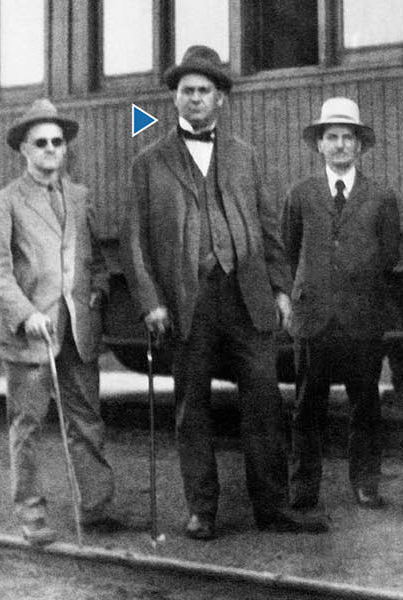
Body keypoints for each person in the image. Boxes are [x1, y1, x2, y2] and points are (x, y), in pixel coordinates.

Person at [120, 45, 327, 540]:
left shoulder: (244, 155)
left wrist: (280, 290)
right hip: (188, 301)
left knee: (264, 404)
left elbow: (268, 227)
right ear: (174, 100)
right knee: (191, 408)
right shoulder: (149, 161)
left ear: (221, 100)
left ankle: (273, 509)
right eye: (186, 91)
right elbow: (133, 244)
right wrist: (151, 302)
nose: (194, 99)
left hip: (246, 296)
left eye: (204, 91)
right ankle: (202, 510)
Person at [0, 99, 122, 545]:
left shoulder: (80, 198)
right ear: (24, 149)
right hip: (31, 337)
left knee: (87, 421)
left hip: (78, 331)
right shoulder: (4, 202)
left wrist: (96, 288)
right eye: (40, 143)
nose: (50, 150)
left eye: (57, 143)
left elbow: (95, 260)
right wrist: (25, 315)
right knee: (28, 427)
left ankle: (95, 508)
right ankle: (31, 514)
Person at [284, 97, 400, 511]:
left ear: (359, 145)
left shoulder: (381, 196)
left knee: (365, 404)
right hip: (313, 317)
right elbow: (289, 249)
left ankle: (366, 482)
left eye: (346, 137)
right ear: (319, 145)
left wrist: (356, 276)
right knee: (306, 406)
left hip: (361, 319)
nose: (338, 145)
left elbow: (389, 256)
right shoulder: (300, 195)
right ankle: (303, 485)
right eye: (330, 137)